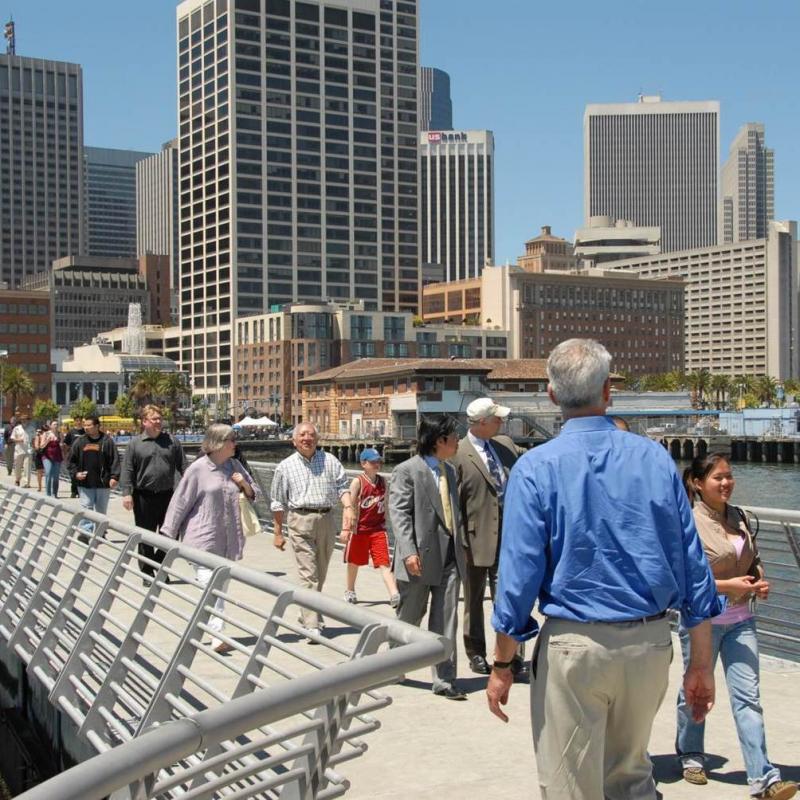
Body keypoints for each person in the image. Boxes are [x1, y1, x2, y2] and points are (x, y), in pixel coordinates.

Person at [487, 338, 722, 800]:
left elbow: (517, 579)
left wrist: (502, 663)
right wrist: (700, 662)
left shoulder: (534, 468)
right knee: (632, 777)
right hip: (649, 645)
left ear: (551, 396)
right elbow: (692, 562)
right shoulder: (655, 458)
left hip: (575, 646)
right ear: (608, 392)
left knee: (570, 785)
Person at [676, 454, 797, 800]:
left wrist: (759, 580)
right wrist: (730, 587)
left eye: (729, 476)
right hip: (703, 623)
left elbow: (751, 560)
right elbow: (686, 581)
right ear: (698, 484)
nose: (726, 483)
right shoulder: (689, 523)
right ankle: (690, 754)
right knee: (694, 693)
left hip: (742, 622)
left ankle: (763, 778)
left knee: (748, 698)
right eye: (718, 478)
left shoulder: (739, 516)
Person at [160, 424, 259, 654]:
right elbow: (180, 502)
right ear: (218, 443)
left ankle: (206, 627)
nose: (235, 444)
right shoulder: (197, 469)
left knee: (220, 587)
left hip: (228, 538)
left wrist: (242, 484)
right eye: (232, 440)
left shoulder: (235, 465)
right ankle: (217, 634)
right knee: (210, 586)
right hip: (202, 538)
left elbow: (254, 494)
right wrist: (167, 534)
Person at [389, 416, 467, 700]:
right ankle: (393, 664)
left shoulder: (452, 471)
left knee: (447, 619)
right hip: (419, 557)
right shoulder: (406, 471)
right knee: (410, 616)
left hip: (450, 558)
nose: (459, 440)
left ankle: (445, 679)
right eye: (454, 436)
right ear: (439, 441)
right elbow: (399, 515)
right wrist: (408, 552)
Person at [453, 397, 526, 678]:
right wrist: (461, 543)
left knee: (508, 599)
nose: (502, 422)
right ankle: (476, 652)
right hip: (474, 541)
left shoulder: (506, 446)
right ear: (482, 423)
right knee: (472, 600)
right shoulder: (458, 454)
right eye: (497, 419)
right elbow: (454, 503)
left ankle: (511, 654)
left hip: (509, 540)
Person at [270, 422, 353, 638]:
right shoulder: (285, 466)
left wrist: (349, 506)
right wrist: (278, 533)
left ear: (317, 439)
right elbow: (277, 502)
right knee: (309, 575)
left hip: (326, 519)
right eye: (302, 435)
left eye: (311, 435)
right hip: (300, 519)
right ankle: (312, 625)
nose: (307, 438)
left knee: (321, 573)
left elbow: (342, 487)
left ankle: (306, 612)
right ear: (294, 440)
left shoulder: (331, 461)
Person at [120, 405, 187, 582]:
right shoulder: (135, 444)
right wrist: (126, 493)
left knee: (171, 534)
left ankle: (158, 565)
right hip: (143, 496)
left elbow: (184, 468)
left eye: (159, 418)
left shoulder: (172, 442)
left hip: (168, 495)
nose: (158, 421)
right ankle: (147, 573)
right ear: (144, 421)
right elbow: (127, 470)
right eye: (154, 419)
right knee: (145, 536)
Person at [340, 448, 400, 608]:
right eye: (373, 462)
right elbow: (349, 507)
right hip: (359, 528)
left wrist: (390, 522)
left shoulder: (382, 481)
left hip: (377, 528)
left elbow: (385, 503)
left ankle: (394, 593)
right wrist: (346, 528)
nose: (377, 464)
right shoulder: (358, 482)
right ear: (363, 463)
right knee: (354, 561)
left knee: (384, 561)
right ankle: (350, 589)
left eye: (378, 461)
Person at [66, 415, 121, 531]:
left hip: (103, 483)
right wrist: (76, 474)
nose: (86, 428)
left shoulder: (107, 441)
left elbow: (114, 460)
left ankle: (100, 533)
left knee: (101, 511)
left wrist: (114, 477)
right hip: (85, 483)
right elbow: (70, 461)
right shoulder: (80, 441)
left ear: (97, 426)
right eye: (85, 425)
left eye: (89, 425)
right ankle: (85, 532)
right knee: (86, 508)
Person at [63, 415, 85, 498]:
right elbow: (66, 443)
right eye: (77, 421)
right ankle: (73, 491)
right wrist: (65, 454)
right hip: (73, 456)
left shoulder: (84, 431)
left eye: (80, 420)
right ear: (75, 422)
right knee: (73, 474)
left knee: (81, 474)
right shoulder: (71, 432)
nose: (79, 422)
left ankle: (80, 491)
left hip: (82, 456)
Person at [41, 420, 64, 497]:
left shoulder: (60, 434)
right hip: (47, 456)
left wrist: (61, 445)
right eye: (54, 424)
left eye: (57, 424)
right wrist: (48, 440)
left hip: (57, 456)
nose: (56, 426)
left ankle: (54, 493)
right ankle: (48, 493)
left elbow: (62, 445)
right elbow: (41, 446)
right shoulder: (46, 434)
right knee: (48, 472)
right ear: (50, 426)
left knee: (56, 476)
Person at [11, 415, 32, 488]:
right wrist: (19, 440)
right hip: (19, 450)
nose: (24, 421)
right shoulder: (16, 428)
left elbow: (34, 438)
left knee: (27, 467)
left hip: (28, 450)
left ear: (28, 420)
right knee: (17, 466)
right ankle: (17, 479)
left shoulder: (31, 428)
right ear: (21, 420)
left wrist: (35, 446)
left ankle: (26, 483)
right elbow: (12, 439)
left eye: (26, 419)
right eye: (23, 419)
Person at [32, 425, 47, 492]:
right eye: (44, 431)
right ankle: (39, 486)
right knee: (39, 471)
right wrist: (38, 438)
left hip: (46, 455)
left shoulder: (48, 437)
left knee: (46, 471)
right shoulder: (37, 437)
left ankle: (47, 486)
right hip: (39, 454)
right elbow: (36, 447)